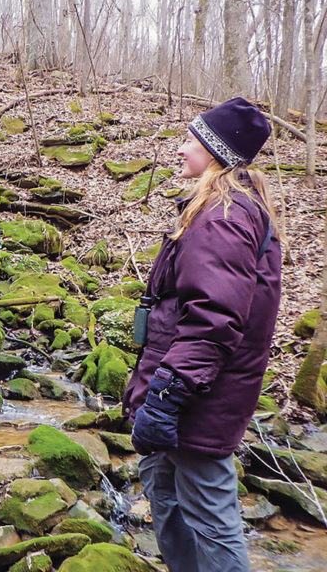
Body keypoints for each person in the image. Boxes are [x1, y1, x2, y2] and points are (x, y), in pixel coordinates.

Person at [122, 97, 281, 572]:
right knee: (163, 492)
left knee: (211, 520)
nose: (179, 150)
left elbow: (214, 317)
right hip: (192, 388)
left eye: (190, 140)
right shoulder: (218, 209)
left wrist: (167, 397)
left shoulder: (224, 216)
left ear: (216, 152)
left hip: (199, 397)